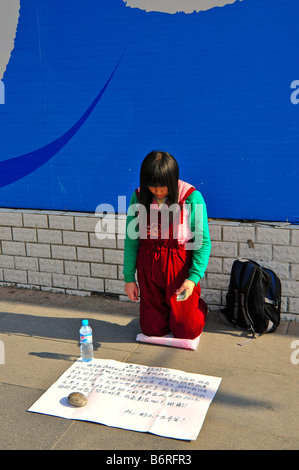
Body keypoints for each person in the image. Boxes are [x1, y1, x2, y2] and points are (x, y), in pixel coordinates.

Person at [123, 151, 211, 340]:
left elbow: (202, 242)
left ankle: (199, 305)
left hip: (178, 270)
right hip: (149, 269)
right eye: (153, 188)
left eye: (162, 187)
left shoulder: (191, 198)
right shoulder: (138, 197)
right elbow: (131, 240)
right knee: (152, 330)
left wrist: (192, 279)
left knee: (187, 331)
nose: (158, 192)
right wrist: (129, 278)